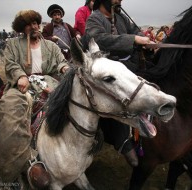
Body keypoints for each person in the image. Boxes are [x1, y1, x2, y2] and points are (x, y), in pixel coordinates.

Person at [0, 10, 70, 189]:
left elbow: (60, 61)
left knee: (70, 103)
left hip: (48, 81)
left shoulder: (50, 45)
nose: (34, 26)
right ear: (22, 28)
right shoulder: (13, 44)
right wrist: (20, 75)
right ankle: (11, 164)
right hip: (22, 84)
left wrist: (65, 68)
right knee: (10, 111)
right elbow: (11, 63)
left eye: (36, 23)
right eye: (29, 24)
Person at [83, 0, 155, 167]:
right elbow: (98, 39)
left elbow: (136, 33)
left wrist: (146, 41)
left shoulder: (122, 17)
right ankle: (122, 140)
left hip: (130, 66)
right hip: (107, 72)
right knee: (117, 99)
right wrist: (134, 39)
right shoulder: (94, 19)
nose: (119, 1)